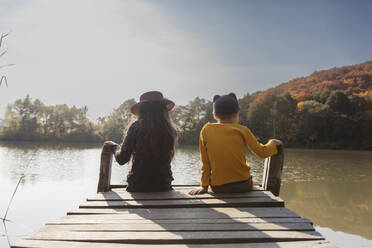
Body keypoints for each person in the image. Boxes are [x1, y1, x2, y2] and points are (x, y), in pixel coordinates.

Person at [189, 93, 282, 195]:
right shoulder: (242, 130)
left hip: (218, 188)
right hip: (243, 185)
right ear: (237, 113)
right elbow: (262, 152)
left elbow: (205, 163)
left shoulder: (206, 130)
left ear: (214, 115)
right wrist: (272, 143)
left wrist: (204, 186)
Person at [104, 91, 177, 192]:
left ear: (142, 110)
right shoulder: (170, 130)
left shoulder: (136, 127)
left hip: (138, 187)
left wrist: (114, 146)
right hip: (163, 187)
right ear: (163, 109)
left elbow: (122, 159)